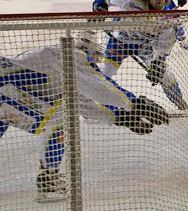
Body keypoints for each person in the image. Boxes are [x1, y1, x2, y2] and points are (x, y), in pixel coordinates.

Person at [0, 31, 169, 202]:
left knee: (58, 111)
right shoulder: (71, 56)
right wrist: (135, 103)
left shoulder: (60, 65)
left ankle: (49, 179)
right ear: (86, 48)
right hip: (6, 90)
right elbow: (100, 86)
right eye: (96, 54)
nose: (97, 60)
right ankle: (49, 180)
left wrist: (121, 117)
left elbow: (84, 103)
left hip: (7, 92)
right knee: (59, 119)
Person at [92, 0, 188, 110]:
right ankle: (98, 106)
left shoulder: (170, 13)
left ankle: (180, 102)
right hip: (120, 40)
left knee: (165, 74)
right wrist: (99, 5)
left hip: (146, 45)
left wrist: (158, 62)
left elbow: (165, 43)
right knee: (105, 72)